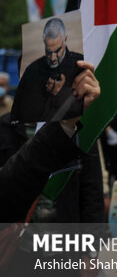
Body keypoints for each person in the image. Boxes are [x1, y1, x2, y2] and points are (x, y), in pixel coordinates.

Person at [0, 60, 100, 224]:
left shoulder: (77, 125)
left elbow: (91, 188)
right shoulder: (5, 126)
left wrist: (91, 242)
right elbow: (10, 185)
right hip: (21, 241)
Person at [11, 17, 84, 123]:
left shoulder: (80, 64)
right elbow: (19, 112)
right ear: (44, 43)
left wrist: (60, 94)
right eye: (48, 52)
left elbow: (86, 109)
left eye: (57, 51)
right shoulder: (32, 70)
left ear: (65, 39)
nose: (53, 58)